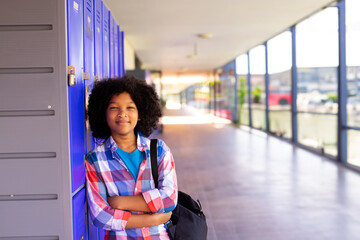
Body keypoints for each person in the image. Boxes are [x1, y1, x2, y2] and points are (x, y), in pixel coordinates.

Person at [85, 76, 178, 240]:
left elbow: (170, 199)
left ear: (140, 113)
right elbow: (100, 216)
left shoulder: (159, 151)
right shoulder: (95, 160)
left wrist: (121, 203)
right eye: (114, 108)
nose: (122, 114)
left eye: (130, 107)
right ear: (103, 114)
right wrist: (154, 218)